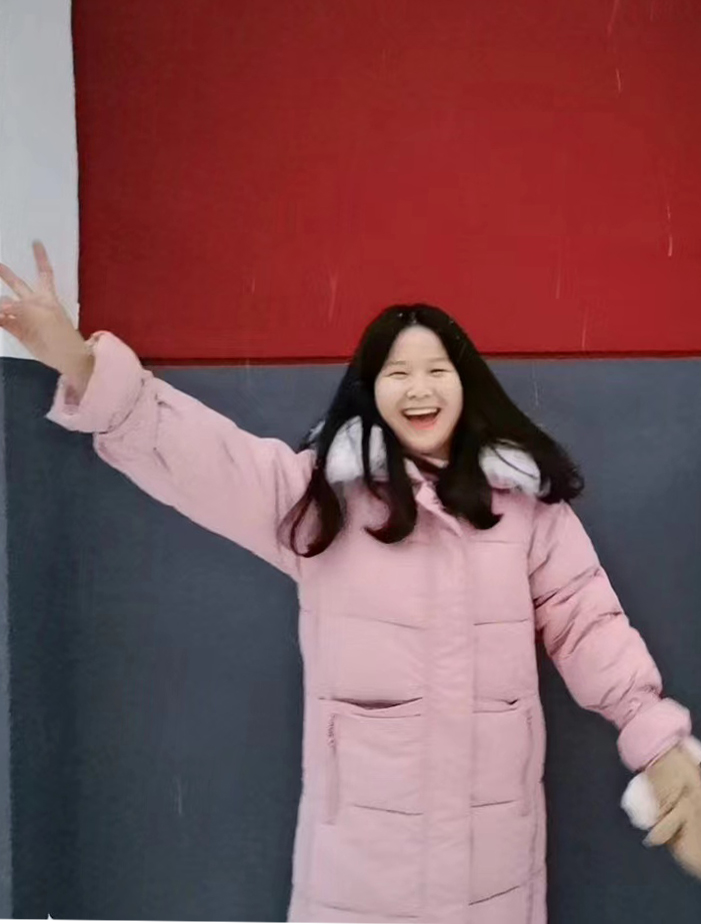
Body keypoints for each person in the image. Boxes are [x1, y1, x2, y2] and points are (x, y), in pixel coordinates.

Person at [1, 242, 700, 924]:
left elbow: (588, 626)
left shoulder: (523, 506)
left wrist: (657, 742)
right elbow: (202, 457)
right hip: (361, 868)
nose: (419, 388)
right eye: (398, 372)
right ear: (371, 390)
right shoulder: (320, 501)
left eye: (437, 370)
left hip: (493, 863)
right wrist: (80, 362)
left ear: (466, 383)